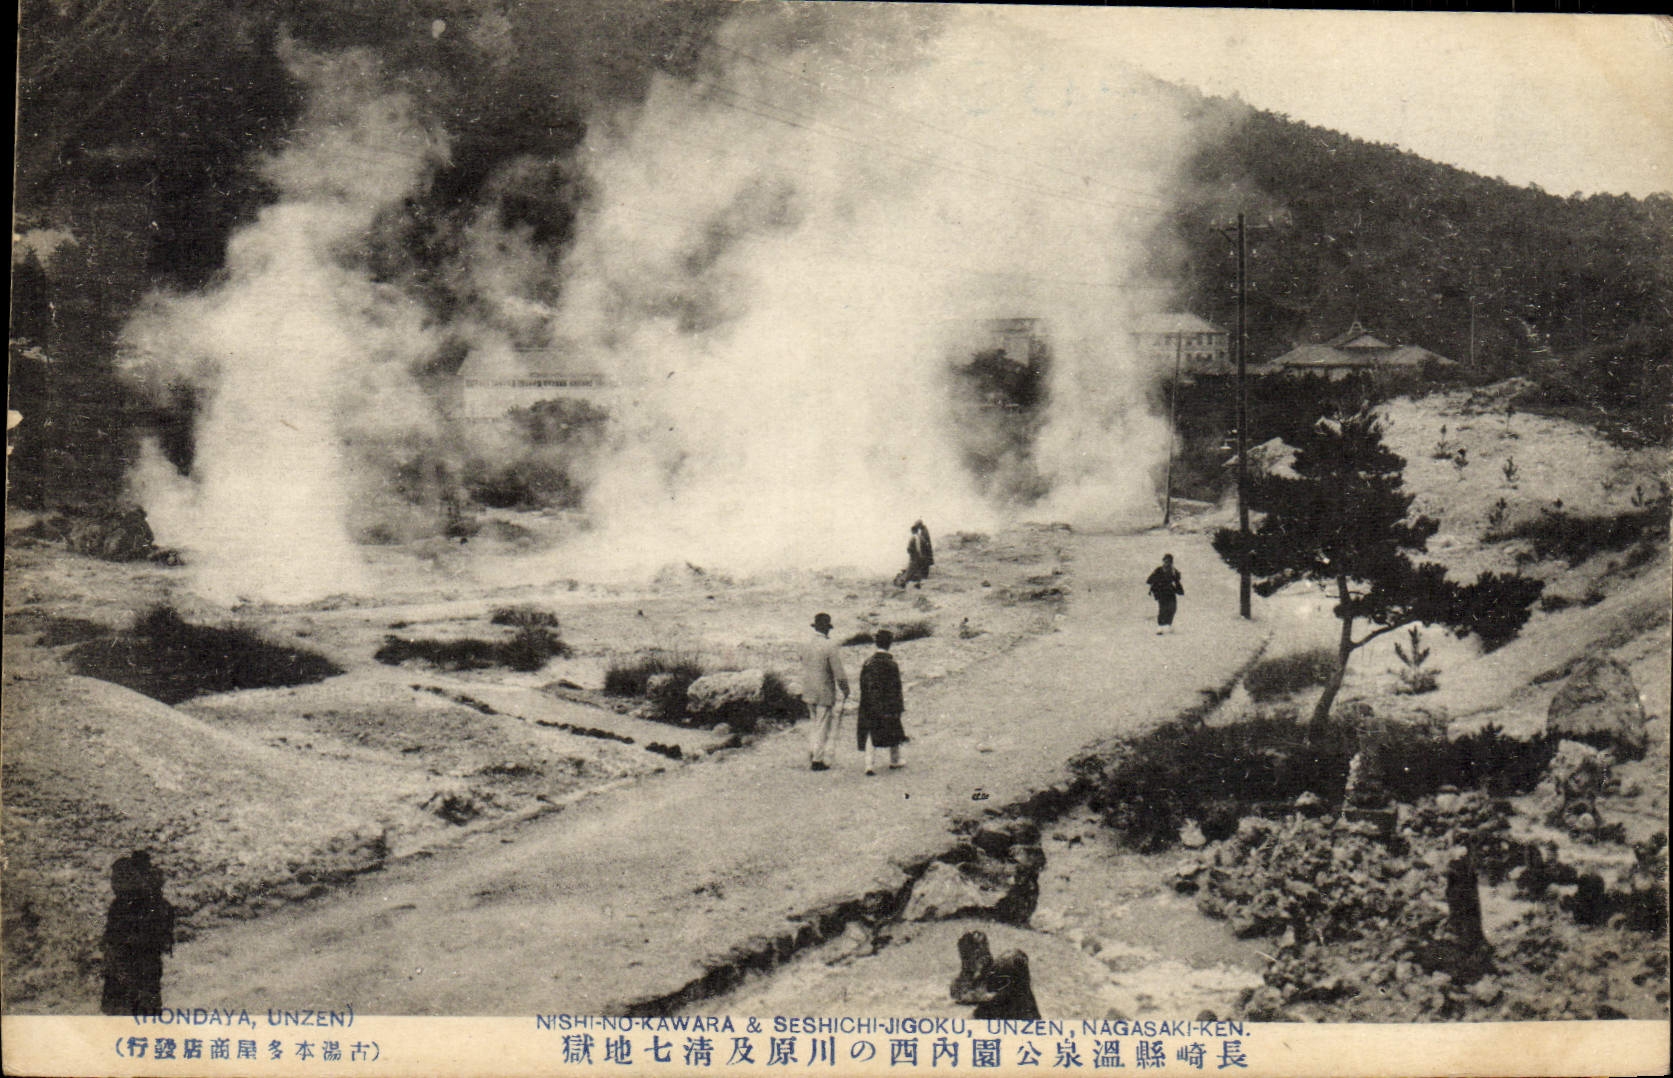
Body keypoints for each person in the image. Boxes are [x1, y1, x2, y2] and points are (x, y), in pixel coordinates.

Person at [100, 850, 175, 1016]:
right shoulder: (156, 902)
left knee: (128, 1011)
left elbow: (115, 936)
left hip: (130, 965)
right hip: (141, 965)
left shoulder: (127, 903)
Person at [800, 612, 849, 772]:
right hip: (824, 691)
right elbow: (838, 672)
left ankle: (812, 753)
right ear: (826, 628)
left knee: (814, 724)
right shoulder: (829, 646)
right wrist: (845, 688)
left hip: (808, 689)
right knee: (822, 727)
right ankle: (817, 760)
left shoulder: (806, 644)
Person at [856, 629, 908, 775]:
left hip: (869, 703)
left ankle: (869, 765)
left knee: (870, 734)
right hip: (887, 703)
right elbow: (896, 688)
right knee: (894, 728)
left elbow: (863, 684)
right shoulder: (891, 664)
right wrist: (898, 706)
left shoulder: (868, 662)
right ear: (889, 644)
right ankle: (894, 760)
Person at [1146, 553, 1185, 634]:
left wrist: (1177, 582)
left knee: (1173, 608)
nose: (1167, 563)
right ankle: (1160, 627)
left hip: (1171, 592)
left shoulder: (1173, 571)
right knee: (1163, 608)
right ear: (1163, 561)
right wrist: (1157, 581)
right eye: (1166, 561)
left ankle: (1168, 625)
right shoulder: (1159, 570)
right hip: (1161, 592)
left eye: (1169, 561)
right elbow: (1149, 580)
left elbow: (1177, 579)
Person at [898, 521, 935, 588]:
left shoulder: (915, 537)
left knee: (911, 570)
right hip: (919, 556)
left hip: (915, 557)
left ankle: (904, 582)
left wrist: (918, 554)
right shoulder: (920, 535)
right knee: (916, 570)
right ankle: (916, 583)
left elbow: (916, 548)